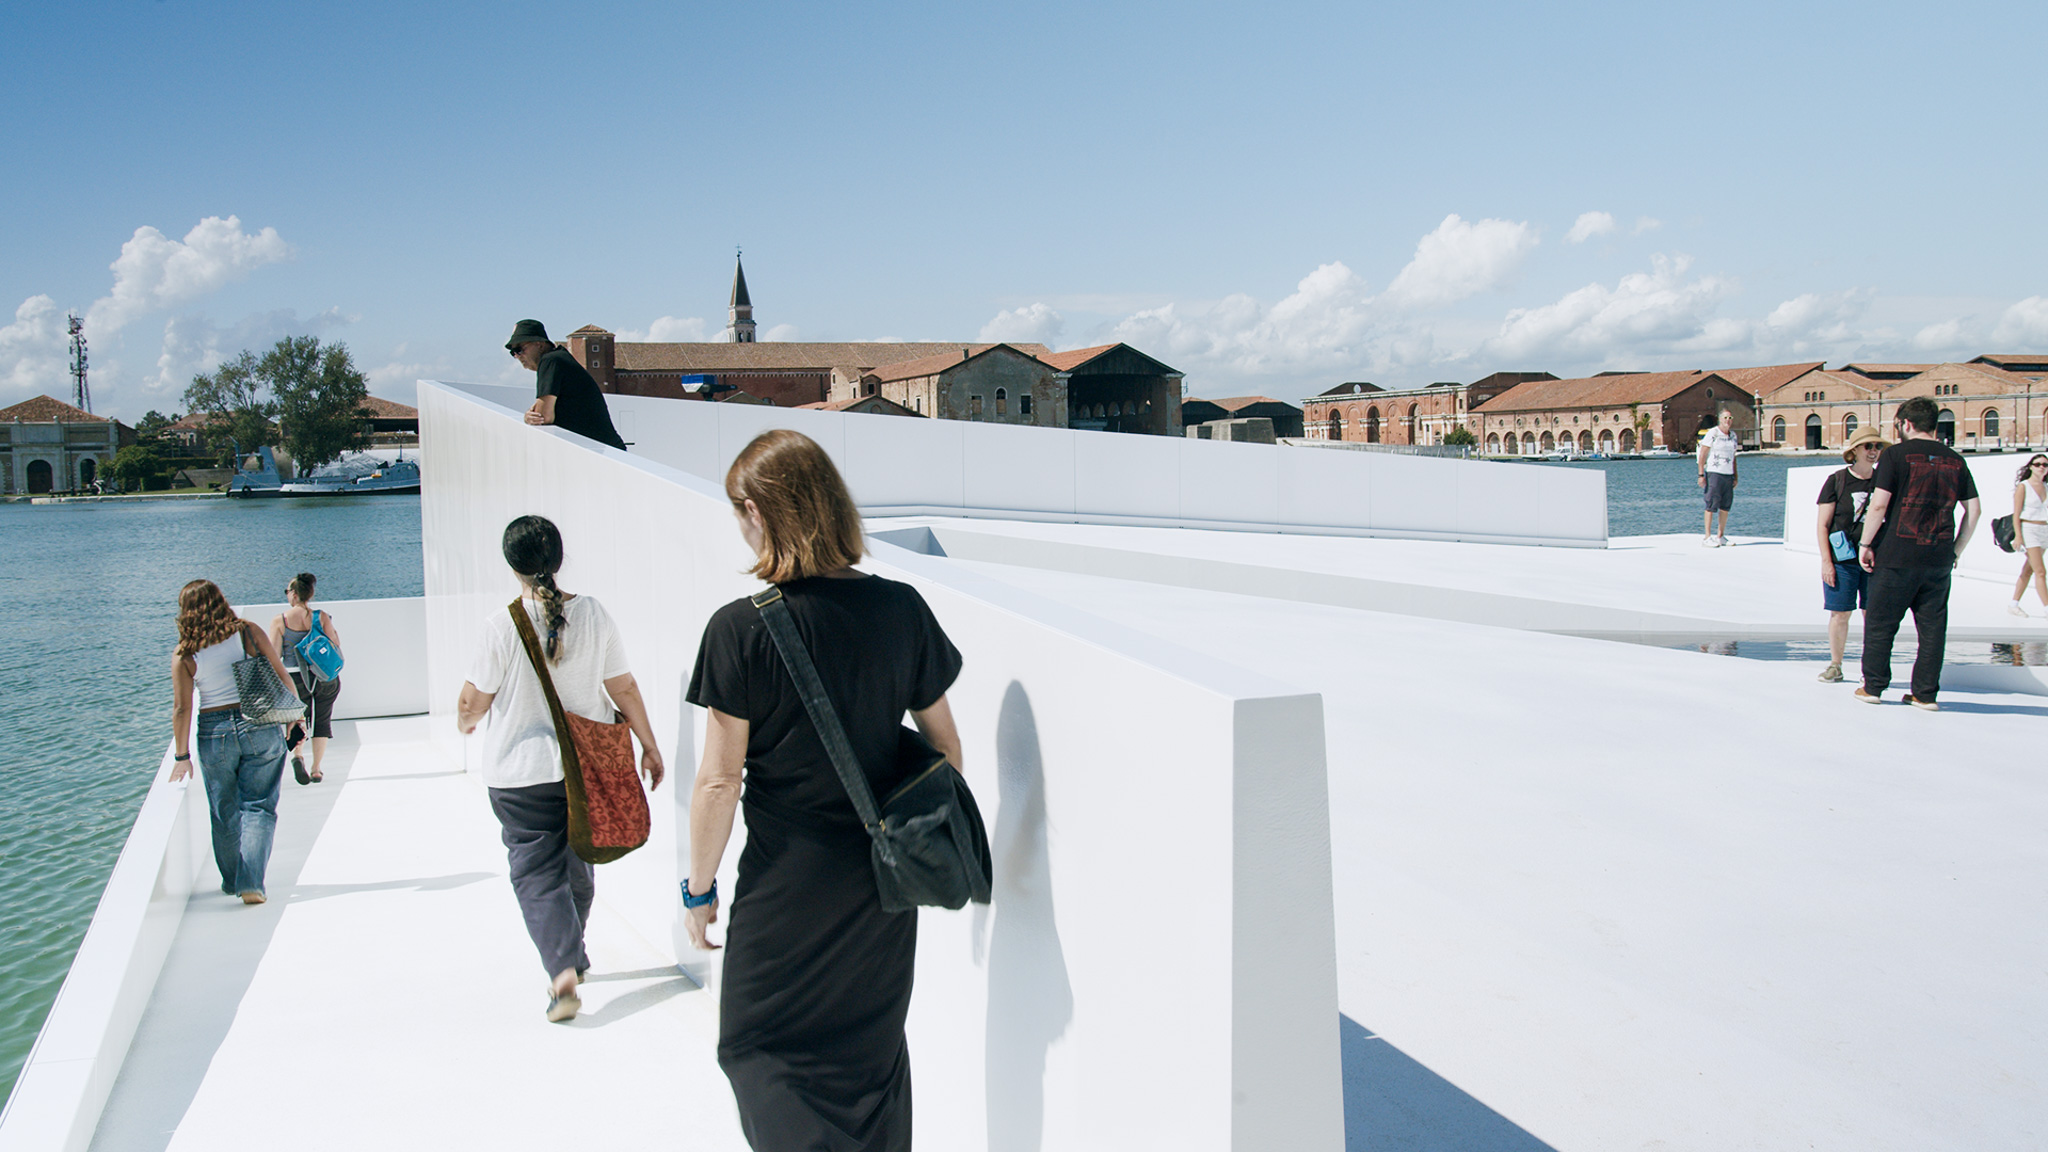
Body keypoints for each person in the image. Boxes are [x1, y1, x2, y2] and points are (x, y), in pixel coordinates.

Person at [684, 429, 964, 1152]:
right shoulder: (902, 609)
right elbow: (946, 751)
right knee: (869, 1064)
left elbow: (718, 781)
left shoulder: (739, 629)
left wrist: (697, 888)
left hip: (787, 886)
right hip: (882, 888)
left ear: (756, 511)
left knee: (756, 1050)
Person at [456, 515, 663, 1022]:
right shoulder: (593, 613)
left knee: (535, 872)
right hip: (584, 769)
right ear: (559, 557)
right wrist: (649, 744)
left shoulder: (500, 625)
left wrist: (466, 721)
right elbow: (623, 686)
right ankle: (572, 954)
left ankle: (563, 971)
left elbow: (472, 702)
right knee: (577, 867)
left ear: (512, 564)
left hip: (519, 773)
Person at [169, 579, 298, 904]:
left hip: (214, 732)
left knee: (223, 810)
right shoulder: (247, 632)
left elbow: (182, 708)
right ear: (220, 601)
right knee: (258, 806)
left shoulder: (184, 654)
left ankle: (232, 880)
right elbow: (281, 673)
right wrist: (295, 715)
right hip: (258, 722)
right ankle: (251, 882)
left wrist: (182, 756)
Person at [1856, 396, 1982, 710]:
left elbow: (1879, 505)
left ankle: (1873, 687)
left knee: (1881, 623)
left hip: (1896, 555)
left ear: (1906, 423)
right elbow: (1974, 511)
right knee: (1932, 630)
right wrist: (1955, 551)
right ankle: (1925, 694)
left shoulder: (1894, 455)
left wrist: (1865, 544)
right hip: (1938, 558)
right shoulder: (1956, 460)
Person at [1814, 426, 1889, 682]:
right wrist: (1826, 562)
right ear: (1854, 450)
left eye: (1878, 446)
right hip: (1843, 560)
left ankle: (1870, 670)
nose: (1873, 451)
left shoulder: (1885, 481)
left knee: (1873, 615)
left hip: (1874, 561)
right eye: (1868, 446)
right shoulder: (1837, 480)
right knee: (1840, 613)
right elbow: (1823, 525)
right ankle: (1835, 665)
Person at [505, 319, 628, 450]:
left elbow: (543, 417)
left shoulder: (550, 361)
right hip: (605, 450)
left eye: (519, 349)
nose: (517, 356)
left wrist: (528, 417)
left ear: (539, 345)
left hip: (599, 452)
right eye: (513, 353)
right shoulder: (560, 358)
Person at [270, 572, 342, 784]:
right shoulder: (321, 616)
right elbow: (335, 644)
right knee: (322, 720)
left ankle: (298, 755)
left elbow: (274, 655)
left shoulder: (280, 620)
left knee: (297, 719)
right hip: (324, 677)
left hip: (295, 678)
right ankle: (316, 769)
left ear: (294, 594)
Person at [2008, 453, 2048, 616]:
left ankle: (2013, 604)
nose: (2041, 467)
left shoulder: (2046, 486)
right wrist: (2018, 536)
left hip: (2044, 530)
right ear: (2031, 467)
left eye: (2045, 465)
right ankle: (2047, 607)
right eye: (2037, 464)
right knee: (2040, 571)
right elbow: (2016, 514)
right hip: (2029, 530)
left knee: (2028, 570)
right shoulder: (2024, 486)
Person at [1697, 408, 1740, 546]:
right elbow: (1703, 454)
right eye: (1725, 418)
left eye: (1730, 418)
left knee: (1725, 505)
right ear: (1720, 419)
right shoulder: (1713, 433)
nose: (1728, 420)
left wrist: (1735, 476)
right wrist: (1701, 474)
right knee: (1711, 504)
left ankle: (1720, 536)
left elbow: (1733, 457)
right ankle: (1707, 537)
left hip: (1728, 474)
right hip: (1714, 472)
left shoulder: (1733, 436)